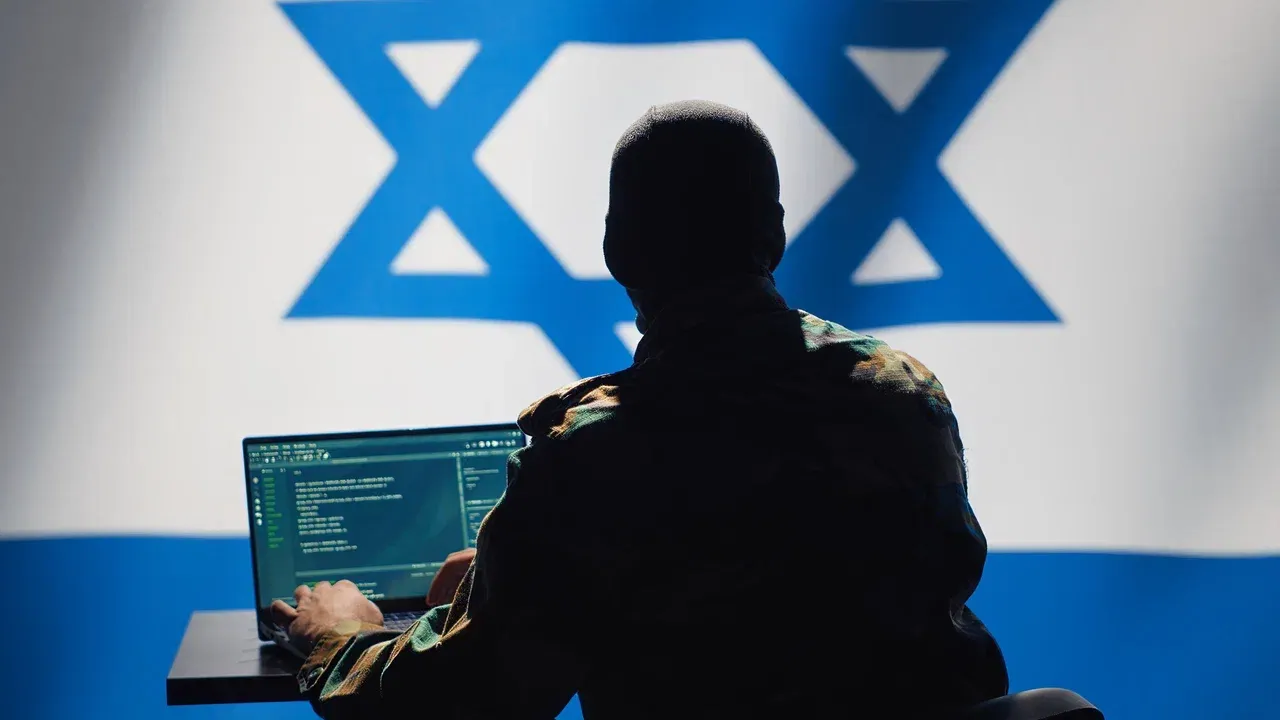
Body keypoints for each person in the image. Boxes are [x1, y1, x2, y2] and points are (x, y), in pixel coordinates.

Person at [271, 100, 1010, 719]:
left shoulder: (596, 454)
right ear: (776, 234)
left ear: (616, 248)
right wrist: (520, 568)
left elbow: (464, 699)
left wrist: (339, 638)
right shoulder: (903, 392)